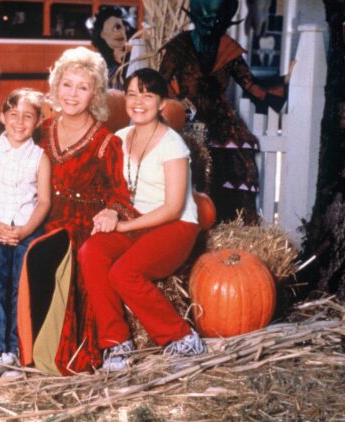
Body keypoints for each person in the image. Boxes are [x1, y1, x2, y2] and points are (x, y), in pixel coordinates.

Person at [78, 68, 206, 372]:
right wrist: (111, 210)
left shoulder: (173, 145)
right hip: (135, 220)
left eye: (147, 95)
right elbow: (113, 190)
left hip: (174, 225)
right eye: (132, 94)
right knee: (90, 252)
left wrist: (123, 225)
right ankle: (116, 343)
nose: (138, 102)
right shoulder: (120, 139)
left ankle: (184, 340)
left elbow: (174, 207)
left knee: (123, 273)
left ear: (162, 103)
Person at [28, 47, 135, 375]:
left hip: (81, 227)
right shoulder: (40, 131)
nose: (72, 94)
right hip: (43, 217)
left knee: (73, 259)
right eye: (67, 84)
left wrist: (112, 213)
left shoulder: (106, 142)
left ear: (96, 94)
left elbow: (120, 196)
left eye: (83, 87)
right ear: (56, 85)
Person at [159, 0, 288, 224]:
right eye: (206, 18)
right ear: (195, 15)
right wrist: (180, 103)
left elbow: (250, 84)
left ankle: (226, 223)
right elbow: (161, 82)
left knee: (231, 166)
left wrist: (281, 91)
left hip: (220, 120)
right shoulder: (179, 46)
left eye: (218, 19)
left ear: (227, 19)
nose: (212, 24)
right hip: (185, 117)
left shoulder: (229, 48)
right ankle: (189, 223)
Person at [0, 89, 51, 380]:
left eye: (27, 116)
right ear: (2, 117)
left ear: (38, 121)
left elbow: (43, 201)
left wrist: (25, 230)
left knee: (20, 287)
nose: (19, 122)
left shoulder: (40, 157)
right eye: (13, 115)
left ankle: (13, 353)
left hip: (26, 229)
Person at [86, 6, 136, 90]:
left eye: (122, 26)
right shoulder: (97, 64)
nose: (121, 31)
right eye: (115, 28)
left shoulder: (133, 57)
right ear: (102, 35)